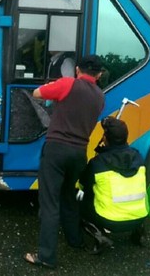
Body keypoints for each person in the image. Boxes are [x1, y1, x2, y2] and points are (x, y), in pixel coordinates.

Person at [24, 55, 105, 269]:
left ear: (77, 70)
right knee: (69, 196)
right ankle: (75, 240)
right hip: (79, 153)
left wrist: (54, 88)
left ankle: (46, 256)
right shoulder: (100, 96)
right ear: (99, 75)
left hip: (56, 151)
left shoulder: (68, 83)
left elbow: (37, 93)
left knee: (50, 202)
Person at [77, 116, 148, 254]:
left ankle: (100, 237)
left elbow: (83, 185)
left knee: (82, 205)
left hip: (110, 221)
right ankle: (139, 233)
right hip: (140, 216)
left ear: (105, 138)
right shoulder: (138, 157)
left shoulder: (98, 163)